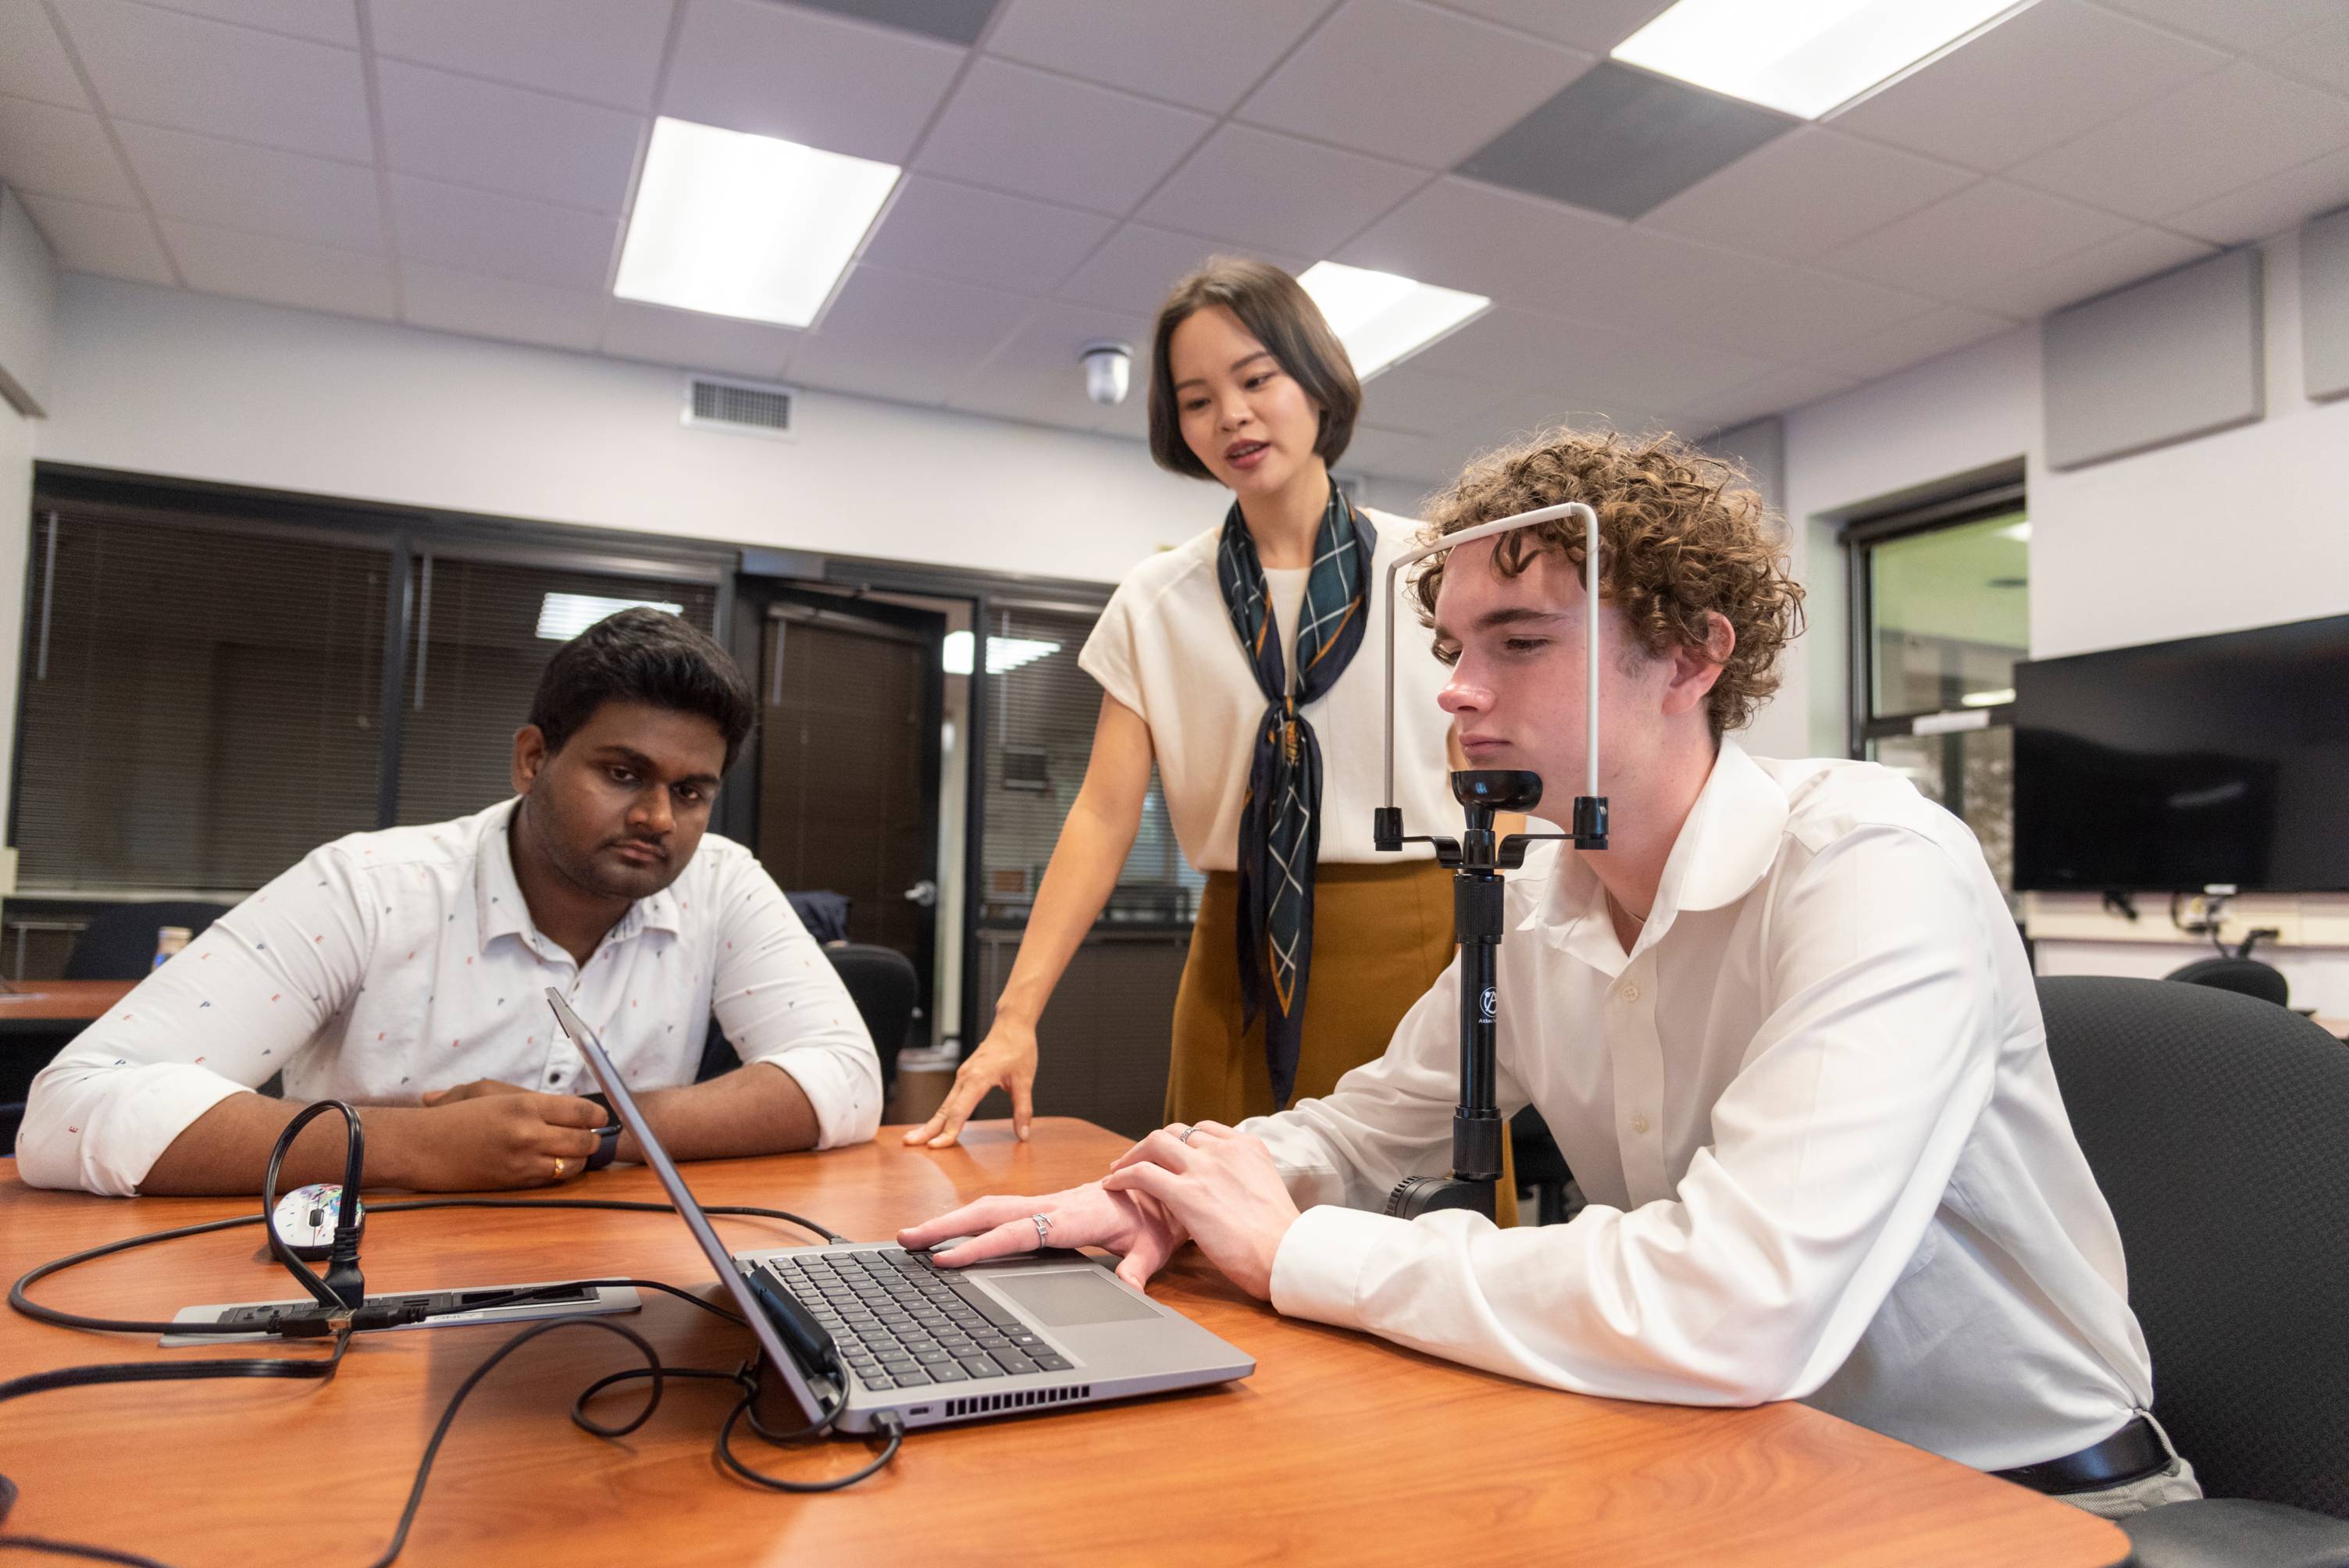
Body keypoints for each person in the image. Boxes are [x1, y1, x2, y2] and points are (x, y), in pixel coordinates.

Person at [901, 430, 2198, 1519]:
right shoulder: (1538, 894)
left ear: (1691, 657)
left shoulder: (1870, 860)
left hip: (2026, 1500)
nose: (1455, 694)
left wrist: (1299, 1250)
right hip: (1750, 1461)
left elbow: (1736, 1301)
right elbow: (1358, 1128)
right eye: (1452, 648)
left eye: (1516, 642)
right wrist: (1177, 1197)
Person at [905, 258, 1474, 1174]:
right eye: (1197, 399)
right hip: (1232, 959)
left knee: (1414, 1247)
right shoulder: (1155, 599)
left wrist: (1512, 957)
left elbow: (1496, 778)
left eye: (1256, 379)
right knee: (1215, 1240)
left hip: (1416, 949)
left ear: (1317, 380)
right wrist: (1013, 1019)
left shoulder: (1438, 568)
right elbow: (1100, 814)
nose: (1233, 416)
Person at [17, 609, 881, 1196]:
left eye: (691, 791)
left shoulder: (719, 881)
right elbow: (69, 1111)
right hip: (361, 1286)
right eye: (622, 774)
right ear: (533, 759)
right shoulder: (365, 886)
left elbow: (845, 1078)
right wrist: (412, 1145)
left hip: (613, 1282)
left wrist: (602, 1130)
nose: (657, 816)